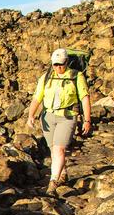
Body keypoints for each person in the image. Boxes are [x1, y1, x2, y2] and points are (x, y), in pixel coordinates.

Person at [26, 48, 92, 194]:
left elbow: (84, 98)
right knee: (53, 149)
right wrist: (31, 115)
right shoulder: (46, 77)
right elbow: (37, 97)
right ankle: (63, 174)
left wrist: (87, 119)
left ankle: (53, 182)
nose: (58, 67)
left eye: (61, 64)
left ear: (67, 62)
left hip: (67, 116)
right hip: (48, 116)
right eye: (55, 65)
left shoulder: (76, 76)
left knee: (59, 149)